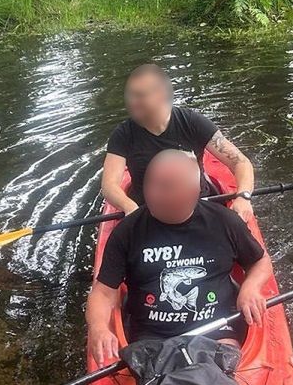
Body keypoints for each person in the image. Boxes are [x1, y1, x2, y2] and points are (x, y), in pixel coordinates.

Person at [87, 149, 272, 365]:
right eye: (151, 184)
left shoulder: (225, 221)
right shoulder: (127, 231)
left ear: (193, 191)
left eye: (166, 187)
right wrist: (98, 327)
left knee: (221, 374)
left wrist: (251, 287)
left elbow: (260, 261)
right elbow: (103, 293)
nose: (153, 194)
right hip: (152, 339)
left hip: (216, 331)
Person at [102, 63, 256, 222]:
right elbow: (109, 185)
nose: (132, 103)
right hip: (148, 212)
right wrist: (129, 207)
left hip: (198, 205)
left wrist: (243, 196)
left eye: (140, 96)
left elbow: (240, 162)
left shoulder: (192, 122)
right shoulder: (123, 134)